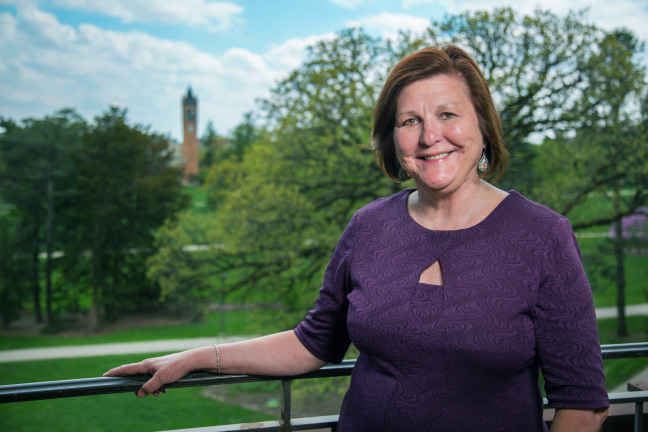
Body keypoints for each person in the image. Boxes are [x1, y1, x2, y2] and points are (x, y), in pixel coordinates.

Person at [104, 45, 609, 431]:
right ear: (394, 141)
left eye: (448, 114)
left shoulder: (543, 236)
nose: (430, 135)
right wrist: (195, 358)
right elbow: (313, 342)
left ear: (482, 125)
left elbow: (582, 402)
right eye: (410, 121)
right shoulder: (368, 226)